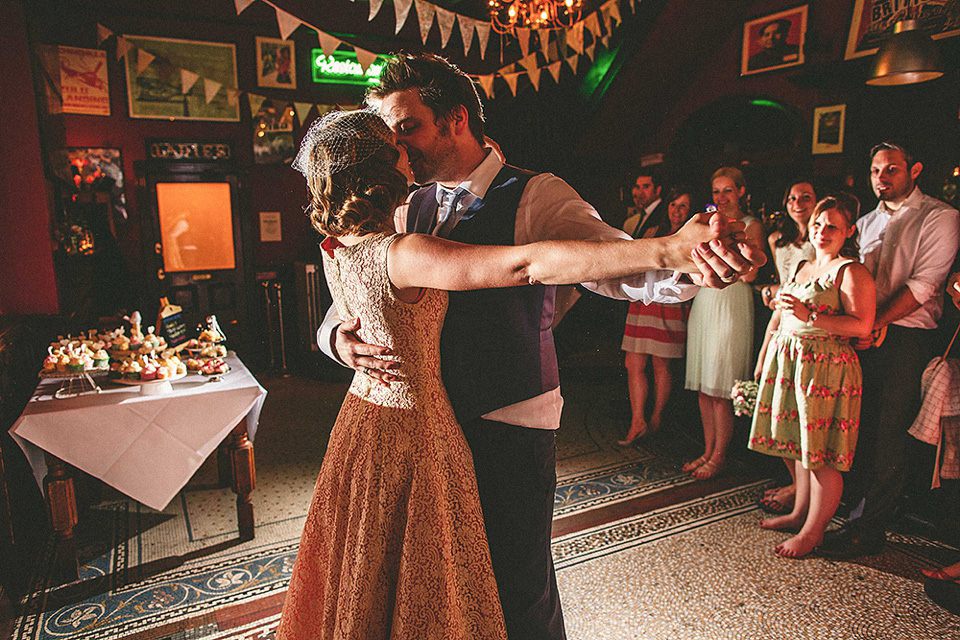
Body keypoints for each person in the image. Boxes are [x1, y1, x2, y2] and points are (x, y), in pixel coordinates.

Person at [316, 54, 765, 640]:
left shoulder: (536, 195)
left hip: (509, 412)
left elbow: (611, 263)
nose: (399, 146)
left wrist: (688, 264)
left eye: (407, 127)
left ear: (456, 118)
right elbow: (362, 285)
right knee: (445, 577)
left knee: (516, 574)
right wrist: (336, 338)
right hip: (427, 423)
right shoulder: (406, 200)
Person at [819, 141, 960, 559]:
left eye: (892, 169)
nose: (881, 177)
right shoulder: (863, 223)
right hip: (865, 332)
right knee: (858, 426)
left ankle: (870, 527)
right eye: (876, 170)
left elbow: (924, 285)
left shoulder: (941, 217)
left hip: (906, 335)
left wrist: (874, 323)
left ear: (914, 170)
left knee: (889, 432)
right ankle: (852, 512)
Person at [748, 193, 876, 558]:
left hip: (827, 367)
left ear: (849, 230)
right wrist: (764, 353)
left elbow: (862, 324)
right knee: (792, 444)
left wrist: (811, 317)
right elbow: (781, 312)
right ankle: (799, 512)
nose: (822, 231)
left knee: (821, 454)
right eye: (818, 224)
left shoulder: (851, 270)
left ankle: (813, 531)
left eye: (832, 226)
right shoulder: (803, 266)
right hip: (789, 362)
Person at [684, 167, 766, 480]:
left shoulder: (751, 225)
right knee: (705, 386)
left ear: (741, 192)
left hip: (732, 302)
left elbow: (750, 273)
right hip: (706, 300)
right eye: (716, 191)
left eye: (727, 191)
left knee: (720, 386)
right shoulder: (707, 224)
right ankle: (706, 450)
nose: (721, 198)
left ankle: (719, 456)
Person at [756, 179, 817, 515]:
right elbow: (782, 285)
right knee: (779, 412)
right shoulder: (779, 241)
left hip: (811, 327)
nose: (798, 203)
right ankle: (795, 483)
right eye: (792, 197)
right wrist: (770, 292)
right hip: (783, 320)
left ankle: (802, 492)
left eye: (806, 197)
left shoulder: (824, 242)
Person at [619, 186, 695, 445]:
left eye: (683, 206)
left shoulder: (691, 239)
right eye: (674, 205)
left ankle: (657, 419)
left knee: (661, 364)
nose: (677, 211)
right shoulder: (653, 233)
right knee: (633, 362)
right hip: (643, 303)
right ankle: (637, 420)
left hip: (671, 304)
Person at [623, 168, 668, 239]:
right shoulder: (639, 216)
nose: (640, 193)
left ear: (657, 190)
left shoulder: (666, 214)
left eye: (646, 187)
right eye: (638, 187)